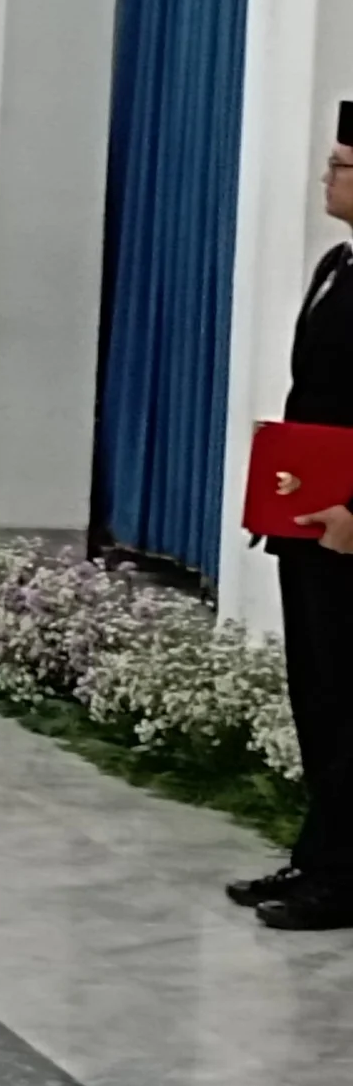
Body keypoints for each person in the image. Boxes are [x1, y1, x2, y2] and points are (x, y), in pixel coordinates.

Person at [228, 104, 353, 932]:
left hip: (349, 520)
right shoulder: (337, 263)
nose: (325, 172)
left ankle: (344, 878)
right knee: (316, 688)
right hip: (306, 511)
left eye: (340, 162)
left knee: (351, 699)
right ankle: (319, 853)